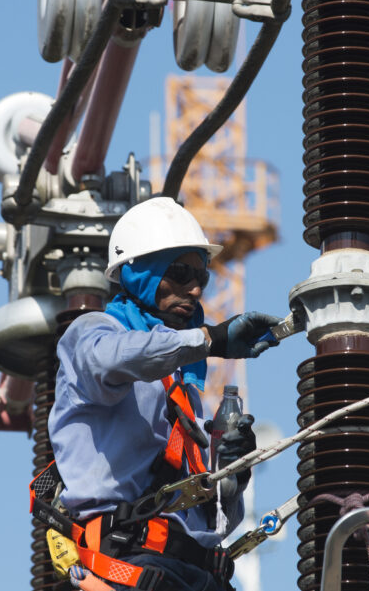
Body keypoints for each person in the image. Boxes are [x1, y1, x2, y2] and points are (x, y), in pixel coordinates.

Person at [48, 197, 281, 591]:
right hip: (124, 568)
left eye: (201, 278)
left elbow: (213, 522)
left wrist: (232, 476)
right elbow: (115, 359)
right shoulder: (92, 335)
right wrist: (209, 340)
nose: (194, 289)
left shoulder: (182, 387)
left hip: (196, 576)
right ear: (138, 272)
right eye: (179, 272)